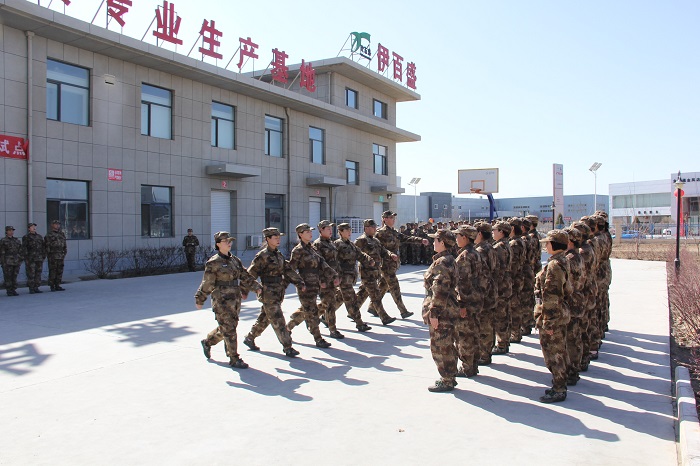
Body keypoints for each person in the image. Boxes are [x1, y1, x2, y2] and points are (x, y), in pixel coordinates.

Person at [195, 231, 261, 369]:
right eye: (225, 241)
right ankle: (234, 358)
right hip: (221, 299)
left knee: (228, 327)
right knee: (229, 328)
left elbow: (245, 276)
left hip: (235, 299)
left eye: (230, 241)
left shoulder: (235, 260)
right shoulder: (213, 262)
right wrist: (200, 298)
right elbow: (207, 283)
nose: (229, 243)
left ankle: (208, 342)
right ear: (218, 244)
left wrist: (257, 287)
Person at [243, 228, 303, 358]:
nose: (278, 239)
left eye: (279, 237)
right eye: (275, 237)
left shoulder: (278, 255)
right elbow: (250, 275)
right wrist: (249, 289)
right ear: (268, 239)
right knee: (278, 320)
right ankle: (288, 347)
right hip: (268, 294)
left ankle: (250, 337)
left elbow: (288, 270)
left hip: (278, 292)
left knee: (265, 319)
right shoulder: (262, 256)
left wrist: (299, 282)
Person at [534, 229, 572, 403]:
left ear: (554, 244)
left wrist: (548, 322)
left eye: (548, 243)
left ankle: (559, 388)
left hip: (553, 315)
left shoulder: (555, 265)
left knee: (554, 353)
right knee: (558, 351)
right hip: (557, 313)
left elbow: (551, 295)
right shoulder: (560, 261)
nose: (546, 246)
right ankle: (559, 384)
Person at [286, 223, 338, 348]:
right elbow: (290, 270)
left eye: (310, 231)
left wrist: (334, 275)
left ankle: (288, 327)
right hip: (305, 286)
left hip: (315, 285)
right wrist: (299, 282)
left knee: (309, 311)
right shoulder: (298, 250)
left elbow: (322, 264)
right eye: (307, 231)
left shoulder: (312, 249)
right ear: (300, 234)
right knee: (313, 313)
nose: (310, 233)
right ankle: (318, 339)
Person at [371, 210, 428, 319]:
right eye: (391, 218)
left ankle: (373, 307)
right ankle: (403, 311)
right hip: (386, 264)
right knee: (394, 287)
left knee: (383, 285)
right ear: (385, 219)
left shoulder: (394, 231)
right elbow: (377, 248)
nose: (394, 220)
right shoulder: (380, 233)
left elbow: (405, 238)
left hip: (393, 263)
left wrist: (420, 240)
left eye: (394, 218)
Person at [423, 229, 460, 392]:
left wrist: (434, 312)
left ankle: (447, 379)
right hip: (448, 308)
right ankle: (450, 376)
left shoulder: (443, 262)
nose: (433, 242)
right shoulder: (448, 259)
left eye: (435, 240)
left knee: (440, 346)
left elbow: (440, 289)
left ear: (442, 242)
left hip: (442, 311)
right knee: (447, 344)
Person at [453, 224, 484, 378]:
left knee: (464, 336)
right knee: (474, 333)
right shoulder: (476, 253)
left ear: (465, 237)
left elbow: (463, 283)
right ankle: (473, 365)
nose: (456, 238)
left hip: (468, 301)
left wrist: (462, 304)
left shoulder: (465, 256)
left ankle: (467, 367)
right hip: (477, 299)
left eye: (458, 236)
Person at [355, 219, 399, 326]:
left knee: (363, 293)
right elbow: (355, 253)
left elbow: (383, 251)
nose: (375, 229)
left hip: (375, 272)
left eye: (375, 227)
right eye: (373, 227)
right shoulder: (361, 240)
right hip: (367, 272)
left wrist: (390, 255)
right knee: (375, 295)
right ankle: (384, 317)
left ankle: (352, 311)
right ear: (366, 228)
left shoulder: (375, 240)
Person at [332, 222, 375, 332]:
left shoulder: (350, 244)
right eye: (346, 230)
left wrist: (369, 259)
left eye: (350, 230)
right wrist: (337, 276)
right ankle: (359, 323)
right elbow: (333, 261)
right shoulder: (337, 244)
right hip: (343, 276)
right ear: (340, 232)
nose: (349, 232)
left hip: (350, 276)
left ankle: (322, 316)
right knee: (351, 299)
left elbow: (360, 254)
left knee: (339, 298)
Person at [563, 226, 586, 386]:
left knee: (571, 338)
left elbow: (567, 284)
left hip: (571, 302)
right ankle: (574, 369)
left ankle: (571, 371)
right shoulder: (577, 256)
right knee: (574, 336)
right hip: (577, 300)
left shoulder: (570, 259)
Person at [474, 222, 497, 365]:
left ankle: (484, 354)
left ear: (480, 234)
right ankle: (486, 351)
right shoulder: (490, 247)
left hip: (484, 291)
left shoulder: (482, 250)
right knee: (488, 322)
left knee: (484, 324)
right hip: (490, 288)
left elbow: (481, 274)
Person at [491, 221, 513, 355]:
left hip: (500, 284)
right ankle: (504, 341)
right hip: (506, 283)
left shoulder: (499, 247)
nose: (493, 232)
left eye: (495, 230)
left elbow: (496, 269)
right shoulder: (507, 244)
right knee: (504, 313)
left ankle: (502, 344)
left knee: (500, 315)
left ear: (501, 232)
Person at [22, 223, 46, 294]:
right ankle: (31, 288)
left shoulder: (39, 237)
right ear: (29, 228)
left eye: (34, 226)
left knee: (38, 273)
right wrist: (26, 258)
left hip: (39, 258)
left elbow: (43, 247)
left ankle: (36, 287)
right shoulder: (26, 237)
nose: (34, 228)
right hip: (31, 258)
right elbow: (24, 248)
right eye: (32, 227)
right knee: (31, 273)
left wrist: (43, 256)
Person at [44, 220, 67, 291]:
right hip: (53, 255)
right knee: (53, 270)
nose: (57, 225)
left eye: (58, 224)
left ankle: (58, 284)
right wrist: (49, 254)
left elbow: (64, 245)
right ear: (52, 225)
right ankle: (52, 285)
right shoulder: (49, 235)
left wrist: (64, 253)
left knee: (59, 270)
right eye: (56, 224)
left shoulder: (62, 234)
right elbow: (47, 246)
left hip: (60, 255)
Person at [1, 226, 23, 296]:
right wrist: (2, 262)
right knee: (8, 276)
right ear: (6, 231)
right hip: (7, 261)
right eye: (10, 230)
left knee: (14, 276)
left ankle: (14, 289)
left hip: (16, 260)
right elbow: (1, 252)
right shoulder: (3, 240)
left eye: (12, 230)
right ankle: (9, 290)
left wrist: (20, 259)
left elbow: (20, 250)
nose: (11, 232)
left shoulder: (16, 240)